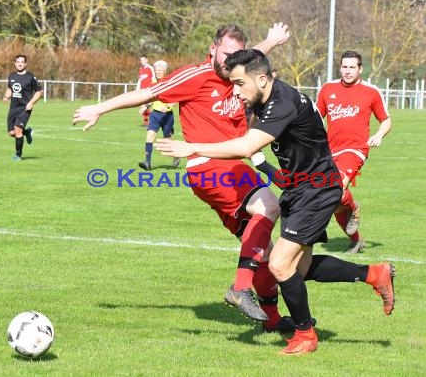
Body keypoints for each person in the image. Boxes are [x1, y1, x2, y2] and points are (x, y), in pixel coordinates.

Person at [156, 49, 396, 356]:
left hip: (317, 190)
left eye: (240, 83)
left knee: (281, 265)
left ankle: (305, 335)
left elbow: (246, 145)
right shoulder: (267, 99)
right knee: (302, 268)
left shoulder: (282, 103)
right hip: (300, 189)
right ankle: (374, 274)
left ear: (261, 79)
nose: (236, 90)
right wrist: (271, 171)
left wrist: (190, 147)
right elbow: (253, 143)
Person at [73, 23, 294, 332]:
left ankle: (272, 322)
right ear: (213, 49)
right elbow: (146, 94)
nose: (231, 62)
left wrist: (270, 42)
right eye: (226, 54)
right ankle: (240, 288)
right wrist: (100, 107)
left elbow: (253, 57)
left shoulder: (237, 73)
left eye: (237, 56)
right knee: (270, 206)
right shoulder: (196, 76)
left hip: (229, 167)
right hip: (208, 166)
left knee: (260, 248)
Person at [316, 50, 392, 253]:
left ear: (360, 69)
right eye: (344, 67)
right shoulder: (327, 89)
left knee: (336, 188)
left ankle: (354, 208)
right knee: (333, 199)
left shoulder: (371, 92)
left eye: (352, 67)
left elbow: (386, 120)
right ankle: (356, 240)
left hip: (355, 149)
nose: (347, 71)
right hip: (329, 151)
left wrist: (378, 135)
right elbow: (316, 119)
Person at [137, 60, 180, 170]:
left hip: (167, 116)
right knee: (150, 136)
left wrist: (168, 106)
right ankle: (147, 162)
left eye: (160, 70)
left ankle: (176, 157)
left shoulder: (170, 82)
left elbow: (177, 97)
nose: (158, 72)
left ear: (165, 71)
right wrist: (145, 107)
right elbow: (152, 98)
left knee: (167, 139)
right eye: (156, 70)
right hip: (155, 114)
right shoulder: (153, 82)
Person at [3, 54, 43, 161]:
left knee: (17, 131)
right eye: (18, 62)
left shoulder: (31, 77)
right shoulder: (11, 76)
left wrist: (31, 103)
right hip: (13, 108)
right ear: (15, 63)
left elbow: (39, 92)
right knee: (12, 133)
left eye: (22, 62)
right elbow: (10, 89)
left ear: (25, 64)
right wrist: (6, 96)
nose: (20, 64)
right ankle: (27, 132)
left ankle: (18, 154)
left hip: (25, 108)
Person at [136, 55, 157, 127]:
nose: (142, 62)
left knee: (145, 106)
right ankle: (146, 122)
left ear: (147, 60)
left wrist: (153, 88)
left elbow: (153, 78)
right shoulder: (141, 69)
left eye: (143, 60)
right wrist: (137, 89)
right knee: (142, 106)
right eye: (141, 60)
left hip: (147, 90)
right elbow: (140, 80)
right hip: (141, 90)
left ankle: (152, 119)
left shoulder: (150, 68)